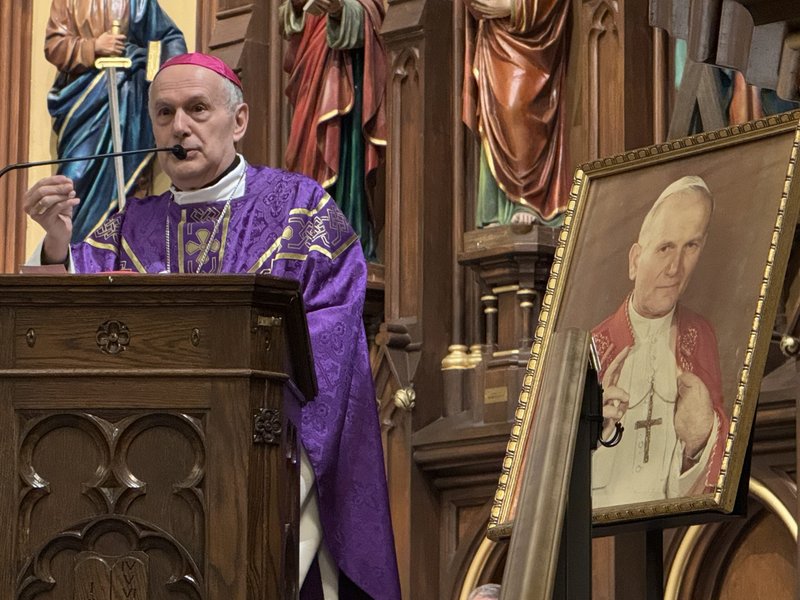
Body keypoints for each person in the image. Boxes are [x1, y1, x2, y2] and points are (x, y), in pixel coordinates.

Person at [24, 52, 401, 600]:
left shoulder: (300, 210)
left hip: (260, 456)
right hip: (140, 465)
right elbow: (68, 327)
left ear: (239, 121)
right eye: (164, 113)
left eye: (198, 109)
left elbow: (335, 326)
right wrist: (57, 243)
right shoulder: (129, 224)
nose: (180, 126)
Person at [591, 176, 729, 509]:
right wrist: (595, 431)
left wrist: (699, 441)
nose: (675, 268)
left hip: (675, 539)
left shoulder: (700, 337)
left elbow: (713, 464)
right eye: (665, 247)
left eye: (691, 247)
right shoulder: (596, 346)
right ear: (635, 260)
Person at [45, 0, 186, 242]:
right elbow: (53, 45)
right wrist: (93, 46)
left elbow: (169, 38)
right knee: (75, 175)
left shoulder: (138, 2)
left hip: (126, 104)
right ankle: (75, 254)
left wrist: (156, 73)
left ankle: (118, 247)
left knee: (127, 185)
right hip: (82, 106)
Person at [279, 0, 386, 261]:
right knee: (304, 153)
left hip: (348, 73)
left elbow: (377, 12)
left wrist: (340, 11)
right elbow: (288, 23)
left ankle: (346, 239)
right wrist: (295, 8)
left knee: (341, 149)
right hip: (310, 76)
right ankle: (310, 243)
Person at [462, 0, 570, 227]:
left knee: (516, 109)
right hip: (494, 35)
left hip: (530, 37)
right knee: (493, 114)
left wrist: (515, 7)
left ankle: (530, 199)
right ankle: (493, 210)